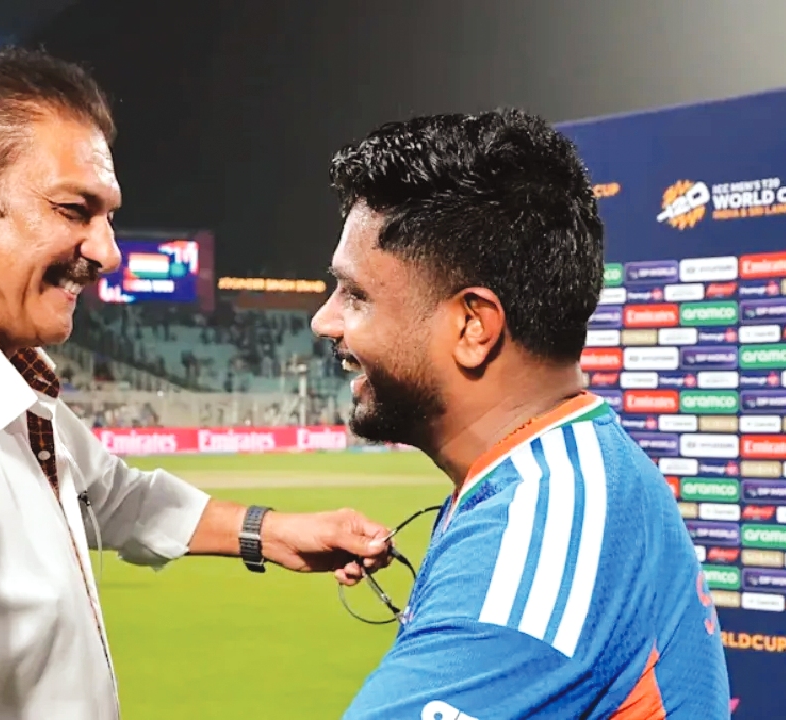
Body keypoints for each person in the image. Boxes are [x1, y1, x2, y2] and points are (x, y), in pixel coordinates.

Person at [0, 47, 392, 720]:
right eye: (73, 209)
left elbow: (112, 496)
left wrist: (269, 532)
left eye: (106, 216)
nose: (107, 251)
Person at [312, 110, 730, 719]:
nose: (324, 321)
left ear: (473, 326)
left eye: (356, 296)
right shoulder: (570, 465)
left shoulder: (533, 553)